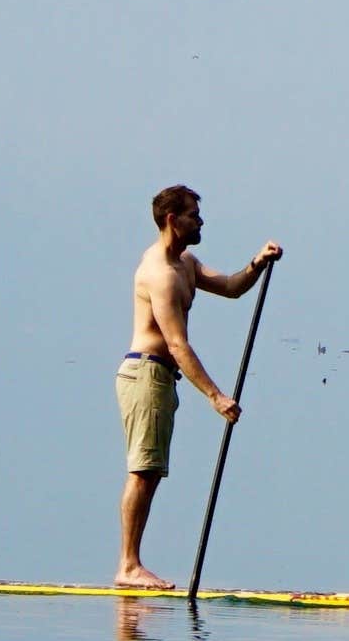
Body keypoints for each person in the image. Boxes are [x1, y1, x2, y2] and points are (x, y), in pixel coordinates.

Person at [117, 184, 278, 589]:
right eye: (193, 214)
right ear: (172, 220)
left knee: (150, 473)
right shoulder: (159, 275)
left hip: (160, 377)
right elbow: (176, 343)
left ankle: (131, 564)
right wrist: (216, 396)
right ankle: (128, 566)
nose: (201, 221)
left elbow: (231, 287)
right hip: (145, 373)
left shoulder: (185, 263)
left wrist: (257, 264)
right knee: (143, 471)